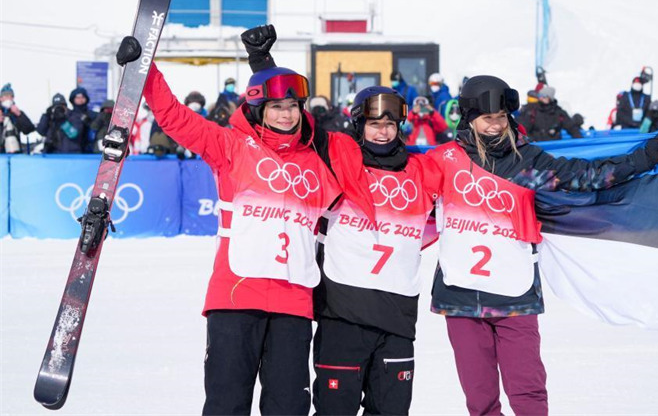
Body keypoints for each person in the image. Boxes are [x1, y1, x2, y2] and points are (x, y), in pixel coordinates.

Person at [115, 24, 341, 415]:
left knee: (288, 407)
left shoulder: (318, 162)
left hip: (294, 303)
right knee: (226, 404)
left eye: (292, 106)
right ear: (259, 110)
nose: (286, 114)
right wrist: (145, 69)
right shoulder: (232, 147)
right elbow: (174, 118)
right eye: (276, 107)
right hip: (236, 296)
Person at [426, 75, 658, 416]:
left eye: (500, 118)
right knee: (479, 398)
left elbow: (585, 176)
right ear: (469, 118)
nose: (495, 126)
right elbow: (392, 186)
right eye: (487, 119)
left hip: (515, 294)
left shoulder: (528, 160)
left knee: (527, 391)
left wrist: (641, 159)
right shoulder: (441, 160)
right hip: (460, 296)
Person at [313, 86, 442, 416]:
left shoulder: (423, 169)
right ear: (359, 126)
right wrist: (262, 63)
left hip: (397, 317)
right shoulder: (336, 162)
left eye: (389, 125)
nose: (383, 132)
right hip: (342, 313)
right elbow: (289, 127)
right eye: (374, 124)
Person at [518, 86, 583, 141]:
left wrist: (580, 141)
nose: (541, 97)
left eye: (544, 96)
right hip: (538, 148)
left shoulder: (559, 112)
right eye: (540, 95)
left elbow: (571, 127)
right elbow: (524, 129)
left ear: (550, 98)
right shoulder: (532, 112)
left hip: (556, 148)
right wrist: (531, 141)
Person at [0, 83, 36, 154]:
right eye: (6, 96)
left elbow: (29, 129)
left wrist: (20, 115)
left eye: (11, 96)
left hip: (16, 152)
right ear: (1, 98)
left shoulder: (17, 113)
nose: (9, 99)